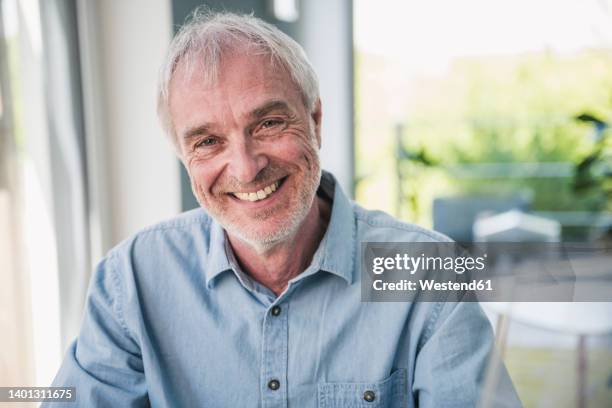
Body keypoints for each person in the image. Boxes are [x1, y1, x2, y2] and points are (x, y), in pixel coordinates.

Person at [46, 9, 521, 407]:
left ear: (315, 121)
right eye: (208, 141)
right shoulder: (129, 282)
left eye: (269, 123)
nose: (247, 168)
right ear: (183, 157)